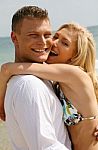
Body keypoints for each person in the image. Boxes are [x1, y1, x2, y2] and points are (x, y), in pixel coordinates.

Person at [1, 22, 98, 150]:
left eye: (64, 43)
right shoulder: (58, 81)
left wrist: (1, 102)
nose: (54, 43)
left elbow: (7, 69)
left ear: (74, 56)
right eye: (55, 37)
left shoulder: (75, 74)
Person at [0, 6, 72, 150]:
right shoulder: (29, 85)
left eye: (47, 35)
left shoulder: (43, 78)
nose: (43, 42)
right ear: (15, 38)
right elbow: (47, 147)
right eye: (33, 35)